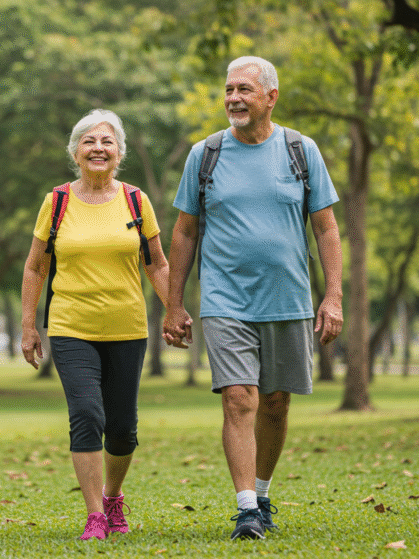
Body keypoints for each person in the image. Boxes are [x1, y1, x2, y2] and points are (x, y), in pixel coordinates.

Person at [162, 56, 344, 540]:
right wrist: (174, 303)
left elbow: (325, 227)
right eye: (228, 89)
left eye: (244, 88)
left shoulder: (301, 150)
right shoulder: (206, 154)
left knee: (276, 402)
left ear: (271, 97)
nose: (233, 98)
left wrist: (334, 297)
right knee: (240, 397)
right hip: (225, 299)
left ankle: (262, 492)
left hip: (288, 299)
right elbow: (183, 232)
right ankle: (245, 509)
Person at [20, 109, 172, 541]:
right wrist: (29, 326)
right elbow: (35, 267)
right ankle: (94, 516)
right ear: (75, 152)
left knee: (123, 430)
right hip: (70, 325)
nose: (98, 148)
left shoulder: (136, 200)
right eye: (89, 141)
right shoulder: (58, 201)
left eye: (106, 142)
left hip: (128, 326)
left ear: (119, 153)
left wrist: (175, 310)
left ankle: (113, 496)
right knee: (87, 414)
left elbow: (157, 264)